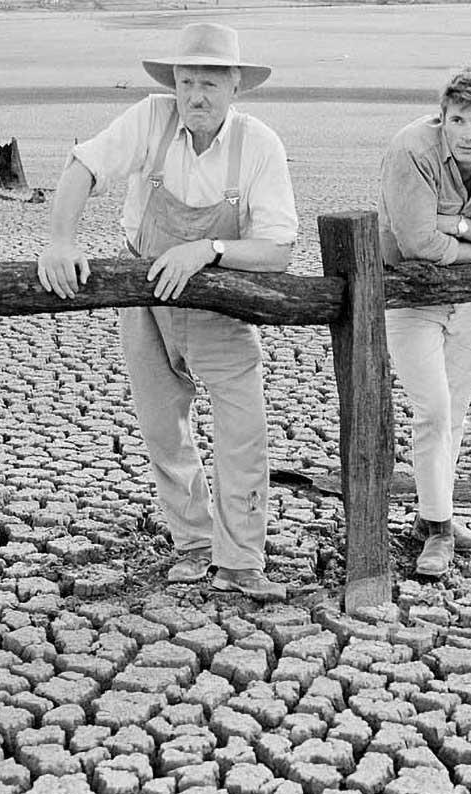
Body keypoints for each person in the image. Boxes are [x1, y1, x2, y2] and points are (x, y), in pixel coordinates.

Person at [37, 23, 298, 601]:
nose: (196, 96)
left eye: (209, 82)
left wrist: (209, 249)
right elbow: (83, 166)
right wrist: (61, 241)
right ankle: (194, 544)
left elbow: (278, 249)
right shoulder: (150, 119)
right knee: (161, 427)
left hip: (221, 309)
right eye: (187, 82)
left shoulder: (259, 145)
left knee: (241, 432)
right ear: (174, 84)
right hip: (144, 302)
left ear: (235, 86)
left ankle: (241, 562)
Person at [378, 63, 471, 578]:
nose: (469, 134)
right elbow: (418, 244)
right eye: (459, 120)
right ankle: (440, 534)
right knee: (434, 409)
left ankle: (432, 517)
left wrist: (458, 224)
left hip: (468, 303)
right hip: (411, 297)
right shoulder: (412, 150)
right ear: (442, 116)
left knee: (456, 413)